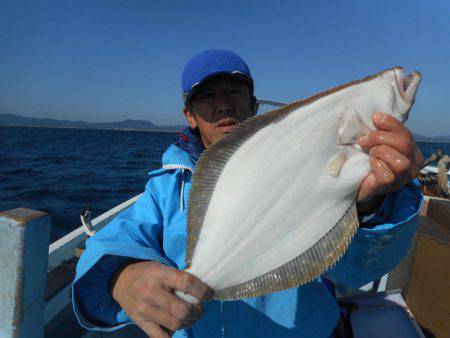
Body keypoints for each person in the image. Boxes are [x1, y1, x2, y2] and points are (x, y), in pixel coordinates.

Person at [72, 49, 424, 338]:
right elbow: (110, 245)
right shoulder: (168, 189)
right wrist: (121, 279)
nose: (223, 105)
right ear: (190, 115)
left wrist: (371, 202)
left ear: (253, 104)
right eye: (208, 96)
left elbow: (361, 270)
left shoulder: (301, 167)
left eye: (234, 92)